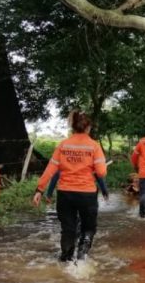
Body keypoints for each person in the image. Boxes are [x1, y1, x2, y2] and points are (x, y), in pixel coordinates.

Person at [32, 111, 107, 261]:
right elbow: (101, 172)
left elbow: (50, 170)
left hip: (65, 194)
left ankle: (65, 260)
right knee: (88, 228)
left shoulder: (63, 145)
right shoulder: (94, 146)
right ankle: (82, 258)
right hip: (87, 194)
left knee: (68, 229)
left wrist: (39, 189)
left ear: (73, 127)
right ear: (89, 128)